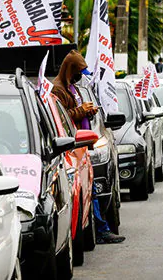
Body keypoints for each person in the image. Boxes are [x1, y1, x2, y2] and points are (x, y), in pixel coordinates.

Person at [52, 50, 126, 244]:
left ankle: (100, 228)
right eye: (78, 73)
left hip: (82, 147)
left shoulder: (72, 88)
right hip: (69, 150)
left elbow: (76, 113)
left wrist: (88, 112)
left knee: (90, 192)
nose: (79, 77)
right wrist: (80, 110)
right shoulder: (58, 89)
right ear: (70, 70)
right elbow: (60, 118)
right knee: (86, 193)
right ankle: (100, 230)